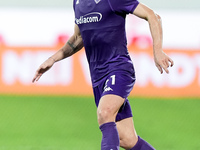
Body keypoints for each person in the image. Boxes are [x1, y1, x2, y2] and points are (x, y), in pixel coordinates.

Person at [32, 0, 174, 149]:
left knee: (105, 112)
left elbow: (152, 16)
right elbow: (78, 37)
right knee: (127, 139)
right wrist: (53, 59)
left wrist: (158, 50)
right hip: (97, 78)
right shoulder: (78, 3)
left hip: (119, 69)